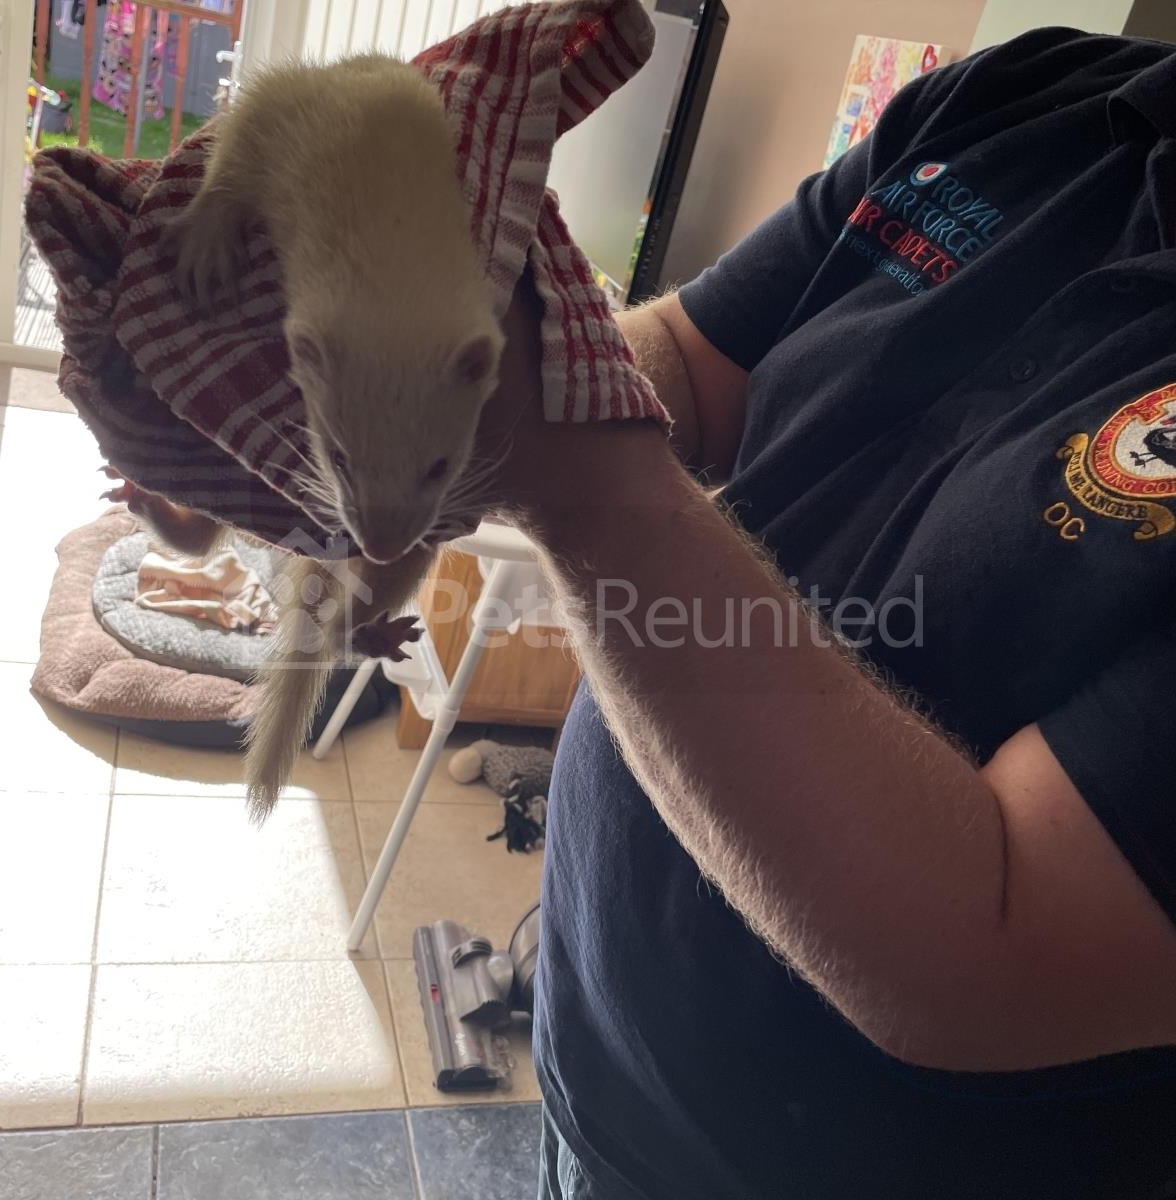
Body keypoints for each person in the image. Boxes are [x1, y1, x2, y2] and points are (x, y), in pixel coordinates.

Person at [476, 24, 1176, 1200]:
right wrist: (518, 365)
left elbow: (989, 946)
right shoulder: (1025, 93)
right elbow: (691, 364)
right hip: (594, 1078)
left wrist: (568, 467)